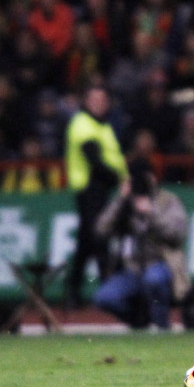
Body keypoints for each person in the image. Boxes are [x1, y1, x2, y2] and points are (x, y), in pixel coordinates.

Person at [93, 161, 190, 330]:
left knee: (153, 280)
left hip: (161, 264)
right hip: (132, 268)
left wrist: (152, 214)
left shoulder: (167, 201)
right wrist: (120, 201)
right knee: (105, 298)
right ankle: (139, 322)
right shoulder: (125, 204)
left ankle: (161, 326)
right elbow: (101, 230)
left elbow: (177, 234)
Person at [64, 84, 128, 308]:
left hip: (102, 189)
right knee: (99, 238)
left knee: (87, 240)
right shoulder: (83, 124)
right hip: (91, 188)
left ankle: (73, 292)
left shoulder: (103, 125)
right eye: (94, 100)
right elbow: (95, 160)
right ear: (86, 102)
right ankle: (107, 292)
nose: (100, 104)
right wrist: (119, 179)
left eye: (103, 100)